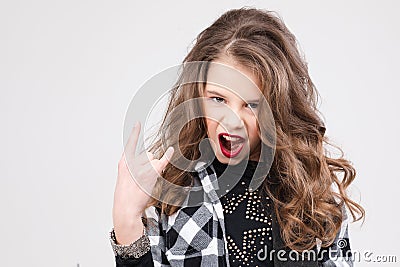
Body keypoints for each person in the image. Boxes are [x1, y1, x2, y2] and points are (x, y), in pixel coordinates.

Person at [110, 7, 365, 267]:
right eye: (218, 99)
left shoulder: (312, 197)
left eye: (252, 105)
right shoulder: (171, 196)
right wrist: (126, 219)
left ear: (277, 108)